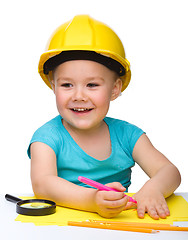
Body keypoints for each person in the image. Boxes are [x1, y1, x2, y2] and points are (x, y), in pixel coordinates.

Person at [28, 15, 181, 219]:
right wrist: (92, 200)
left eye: (92, 85)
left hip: (121, 227)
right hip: (63, 229)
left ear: (114, 89)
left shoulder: (128, 135)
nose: (79, 96)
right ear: (53, 86)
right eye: (67, 85)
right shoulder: (46, 137)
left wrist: (153, 189)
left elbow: (170, 171)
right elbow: (43, 184)